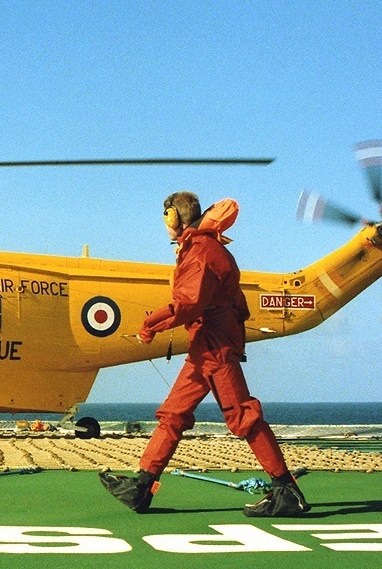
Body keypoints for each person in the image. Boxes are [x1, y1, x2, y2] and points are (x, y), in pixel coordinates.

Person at [99, 192, 310, 518]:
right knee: (173, 414)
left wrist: (149, 324)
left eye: (165, 218)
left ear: (173, 217)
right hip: (205, 346)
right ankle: (142, 487)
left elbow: (188, 304)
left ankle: (286, 489)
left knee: (242, 416)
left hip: (215, 347)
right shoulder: (201, 248)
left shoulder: (201, 252)